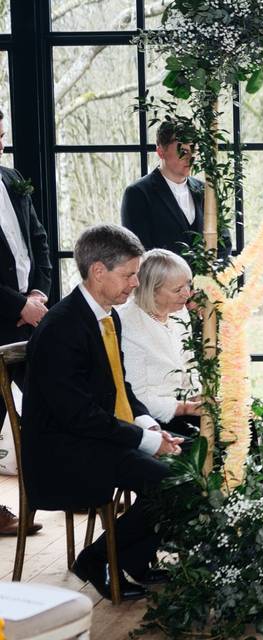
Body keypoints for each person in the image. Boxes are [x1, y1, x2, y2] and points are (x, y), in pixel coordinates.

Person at [21, 224, 183, 601]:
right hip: (63, 451)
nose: (134, 283)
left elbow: (120, 388)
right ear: (98, 271)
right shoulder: (62, 327)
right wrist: (144, 441)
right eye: (128, 275)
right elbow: (77, 415)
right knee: (168, 482)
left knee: (184, 464)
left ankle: (135, 560)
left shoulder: (106, 316)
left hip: (94, 436)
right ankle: (95, 560)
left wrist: (148, 427)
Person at [0, 106, 50, 536]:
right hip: (1, 318)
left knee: (50, 401)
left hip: (31, 318)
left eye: (0, 135)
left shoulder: (13, 180)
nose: (0, 143)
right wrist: (17, 304)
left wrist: (39, 293)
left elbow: (39, 239)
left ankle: (65, 487)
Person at [117, 248, 201, 437]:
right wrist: (185, 408)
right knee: (198, 443)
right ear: (152, 291)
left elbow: (189, 362)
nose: (187, 294)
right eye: (178, 289)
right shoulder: (128, 323)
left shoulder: (179, 311)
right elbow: (136, 398)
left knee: (240, 423)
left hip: (185, 405)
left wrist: (198, 395)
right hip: (150, 417)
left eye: (188, 285)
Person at [121, 121, 231, 260]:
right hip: (159, 281)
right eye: (183, 151)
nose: (190, 158)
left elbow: (224, 243)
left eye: (193, 150)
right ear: (161, 151)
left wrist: (207, 277)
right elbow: (139, 253)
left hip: (207, 281)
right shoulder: (137, 194)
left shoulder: (206, 190)